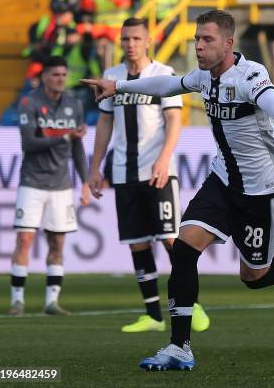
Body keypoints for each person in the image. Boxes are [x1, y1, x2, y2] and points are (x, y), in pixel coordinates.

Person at [83, 9, 274, 371]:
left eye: (207, 39)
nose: (199, 46)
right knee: (185, 246)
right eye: (196, 39)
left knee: (256, 276)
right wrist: (120, 86)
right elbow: (170, 84)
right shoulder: (205, 76)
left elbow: (269, 97)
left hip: (261, 190)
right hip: (222, 182)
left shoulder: (250, 74)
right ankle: (179, 346)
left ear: (227, 43)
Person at [87, 17, 209, 334]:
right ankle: (153, 316)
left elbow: (174, 119)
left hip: (158, 171)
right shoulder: (111, 77)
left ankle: (190, 302)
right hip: (124, 173)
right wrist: (94, 167)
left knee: (171, 240)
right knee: (138, 244)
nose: (130, 44)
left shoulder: (163, 74)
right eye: (125, 39)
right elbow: (104, 124)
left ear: (148, 41)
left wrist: (164, 159)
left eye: (136, 39)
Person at [10, 56, 90, 317]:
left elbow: (77, 148)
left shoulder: (75, 105)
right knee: (25, 239)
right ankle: (17, 301)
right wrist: (64, 135)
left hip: (61, 186)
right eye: (55, 74)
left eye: (63, 75)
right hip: (32, 182)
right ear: (44, 76)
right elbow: (29, 143)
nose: (60, 79)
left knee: (57, 244)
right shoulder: (29, 102)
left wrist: (86, 180)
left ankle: (51, 302)